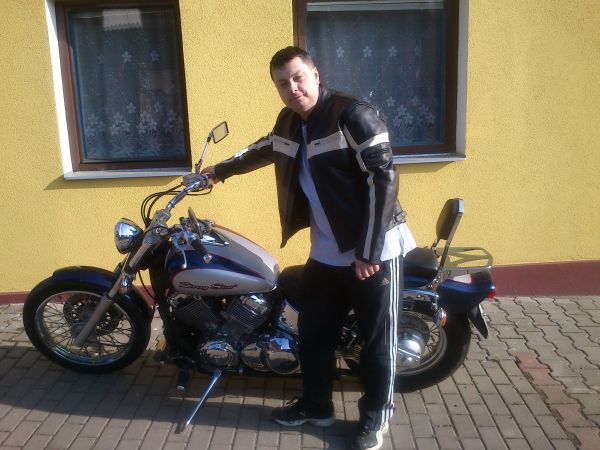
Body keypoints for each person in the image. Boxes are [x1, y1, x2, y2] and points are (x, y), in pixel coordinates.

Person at [201, 46, 413, 450]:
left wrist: (369, 250)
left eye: (298, 77)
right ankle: (317, 405)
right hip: (328, 251)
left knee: (376, 342)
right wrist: (219, 171)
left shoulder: (352, 114)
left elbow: (384, 177)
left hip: (376, 249)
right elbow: (264, 148)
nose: (293, 88)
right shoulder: (289, 122)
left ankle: (375, 415)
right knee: (314, 333)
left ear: (315, 74)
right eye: (283, 83)